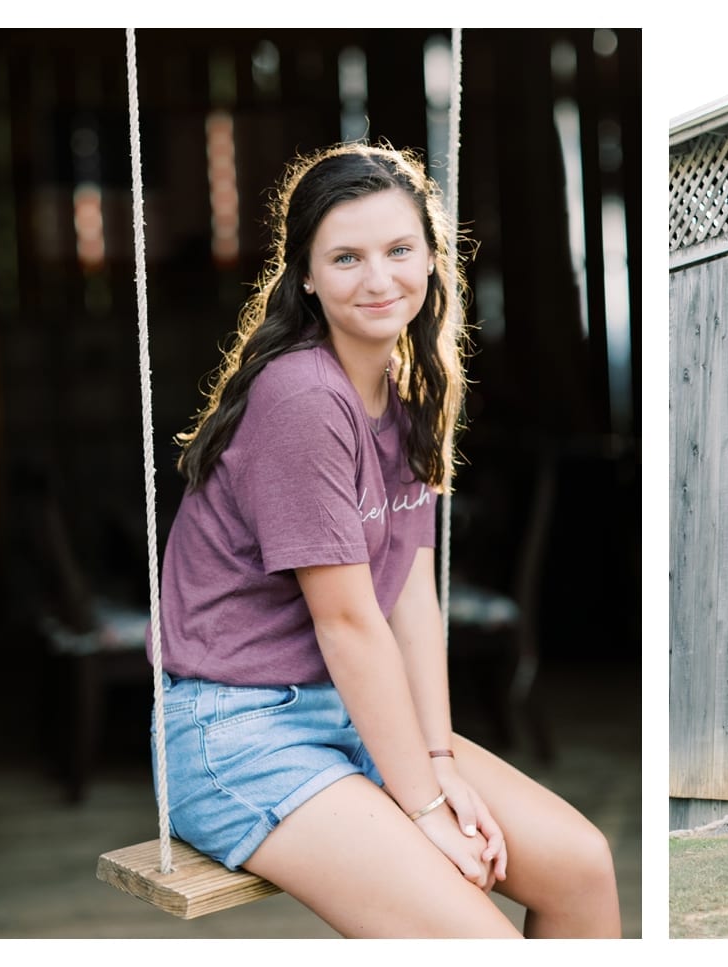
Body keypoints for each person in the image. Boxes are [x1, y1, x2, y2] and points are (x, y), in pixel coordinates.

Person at [149, 142, 620, 937]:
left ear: (433, 258)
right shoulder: (302, 396)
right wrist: (428, 808)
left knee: (582, 866)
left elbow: (409, 600)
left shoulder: (406, 394)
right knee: (482, 942)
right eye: (346, 257)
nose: (379, 278)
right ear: (304, 273)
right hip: (240, 732)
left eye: (400, 250)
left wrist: (436, 760)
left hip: (348, 712)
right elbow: (348, 620)